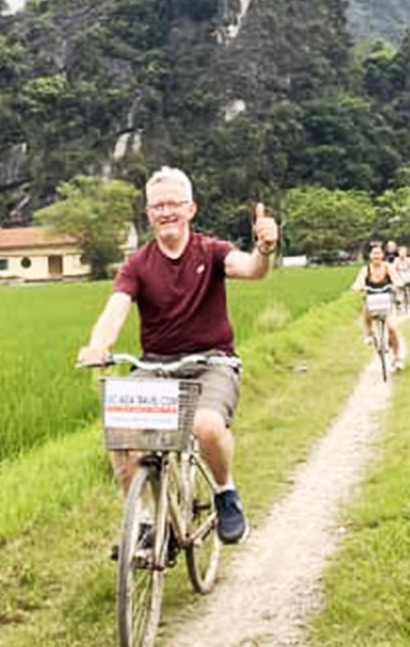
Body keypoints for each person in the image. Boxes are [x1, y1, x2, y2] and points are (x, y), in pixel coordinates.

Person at [78, 167, 278, 545]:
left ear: (190, 209)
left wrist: (265, 249)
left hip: (212, 363)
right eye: (158, 206)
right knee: (121, 431)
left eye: (174, 204)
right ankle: (142, 519)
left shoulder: (212, 252)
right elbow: (116, 308)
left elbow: (252, 269)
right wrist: (98, 346)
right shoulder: (137, 264)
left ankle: (225, 493)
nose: (166, 211)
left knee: (206, 425)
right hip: (155, 365)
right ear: (148, 213)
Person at [349, 242, 406, 371]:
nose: (376, 256)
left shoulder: (388, 267)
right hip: (372, 299)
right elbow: (359, 281)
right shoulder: (366, 269)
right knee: (367, 309)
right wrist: (358, 287)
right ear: (370, 255)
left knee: (392, 328)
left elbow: (396, 278)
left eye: (379, 253)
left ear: (383, 255)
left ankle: (397, 357)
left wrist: (397, 284)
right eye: (374, 253)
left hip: (387, 300)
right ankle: (369, 332)